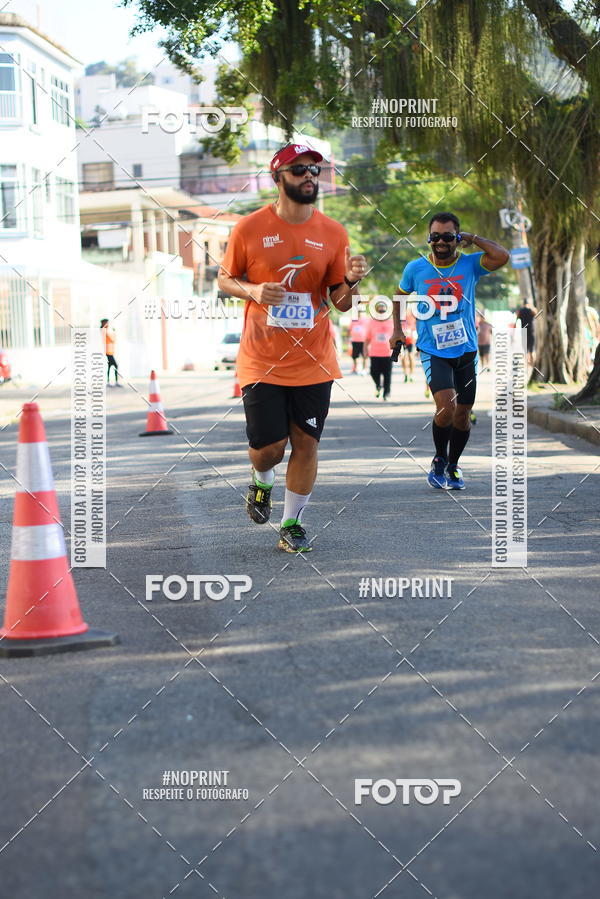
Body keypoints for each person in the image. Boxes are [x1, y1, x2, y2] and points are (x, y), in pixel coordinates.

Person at [218, 143, 367, 552]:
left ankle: (292, 524)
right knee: (269, 450)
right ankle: (261, 481)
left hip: (314, 359)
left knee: (306, 444)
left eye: (314, 170)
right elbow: (224, 279)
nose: (309, 176)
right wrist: (253, 290)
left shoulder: (334, 233)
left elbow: (339, 301)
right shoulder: (248, 228)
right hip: (262, 359)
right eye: (299, 169)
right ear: (278, 177)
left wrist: (352, 282)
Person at [391, 212, 509, 489]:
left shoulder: (470, 264)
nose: (440, 242)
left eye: (448, 236)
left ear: (457, 238)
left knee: (463, 414)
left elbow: (502, 256)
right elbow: (399, 296)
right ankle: (439, 460)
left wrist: (473, 239)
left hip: (466, 349)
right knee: (447, 406)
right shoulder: (415, 268)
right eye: (435, 237)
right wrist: (397, 330)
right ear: (428, 239)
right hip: (433, 350)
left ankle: (454, 465)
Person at [366, 301, 394, 399]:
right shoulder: (372, 322)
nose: (382, 311)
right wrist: (365, 350)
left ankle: (387, 393)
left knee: (387, 374)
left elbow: (396, 338)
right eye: (380, 309)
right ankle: (378, 385)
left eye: (383, 310)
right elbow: (367, 338)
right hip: (375, 353)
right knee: (373, 372)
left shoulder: (391, 322)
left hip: (387, 353)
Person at [515, 298, 536, 366]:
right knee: (531, 350)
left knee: (525, 350)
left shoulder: (520, 311)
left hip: (524, 332)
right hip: (531, 331)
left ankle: (526, 364)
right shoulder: (531, 310)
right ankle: (532, 364)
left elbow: (516, 319)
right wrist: (531, 306)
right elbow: (536, 313)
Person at [100, 318, 121, 386]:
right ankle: (115, 382)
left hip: (110, 352)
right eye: (106, 323)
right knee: (115, 366)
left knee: (110, 366)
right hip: (108, 353)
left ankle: (109, 382)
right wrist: (114, 332)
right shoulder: (104, 331)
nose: (108, 324)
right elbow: (112, 340)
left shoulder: (104, 331)